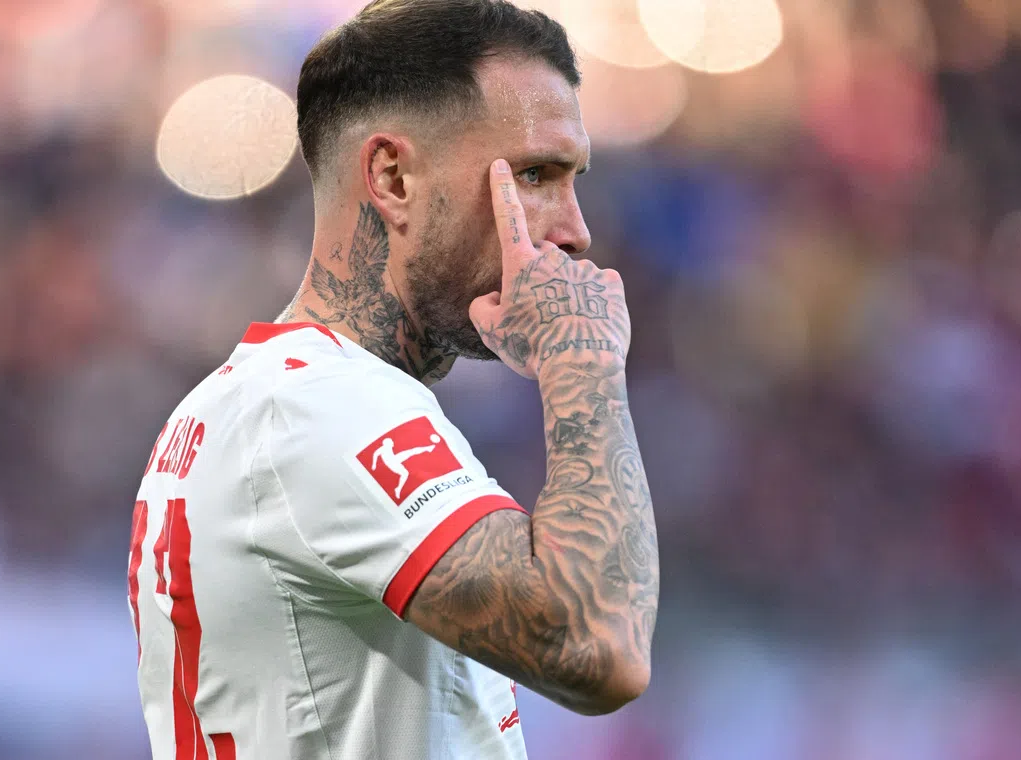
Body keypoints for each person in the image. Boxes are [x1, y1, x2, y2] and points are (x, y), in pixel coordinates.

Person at [126, 1, 659, 758]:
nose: (575, 230)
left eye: (574, 180)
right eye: (536, 175)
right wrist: (584, 359)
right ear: (393, 177)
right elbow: (599, 645)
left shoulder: (252, 398)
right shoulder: (322, 405)